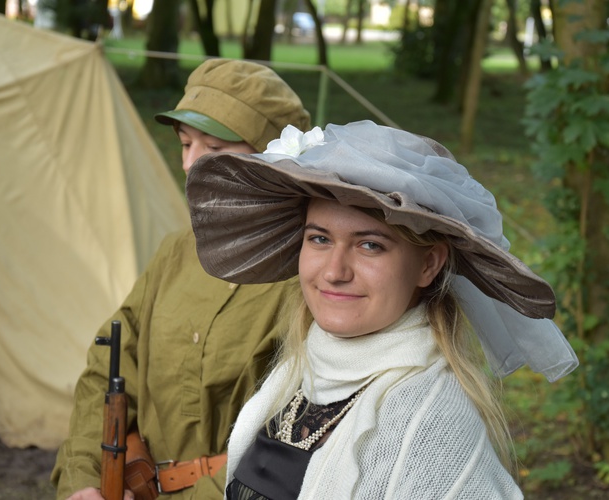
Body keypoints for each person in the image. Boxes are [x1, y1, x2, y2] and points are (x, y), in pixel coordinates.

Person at [184, 120, 580, 499]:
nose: (335, 271)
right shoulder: (298, 375)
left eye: (370, 245)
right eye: (320, 238)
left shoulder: (431, 429)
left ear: (428, 265)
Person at [51, 58, 311, 500]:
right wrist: (86, 478)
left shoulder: (308, 277)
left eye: (213, 150)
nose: (190, 165)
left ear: (273, 163)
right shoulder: (176, 251)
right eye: (186, 143)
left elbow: (292, 442)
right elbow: (108, 368)